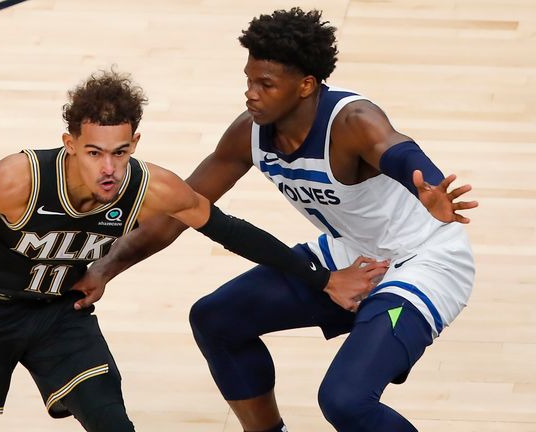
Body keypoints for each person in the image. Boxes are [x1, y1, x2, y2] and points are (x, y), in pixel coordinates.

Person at [0, 69, 385, 432]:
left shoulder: (149, 186)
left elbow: (229, 229)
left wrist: (320, 281)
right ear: (69, 145)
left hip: (60, 314)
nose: (108, 169)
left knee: (114, 423)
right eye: (93, 153)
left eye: (120, 151)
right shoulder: (17, 179)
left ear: (135, 143)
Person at [71, 8, 478, 432]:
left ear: (305, 85)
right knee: (216, 319)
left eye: (265, 84)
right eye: (248, 80)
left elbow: (395, 147)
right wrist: (105, 268)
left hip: (425, 262)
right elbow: (177, 213)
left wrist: (428, 184)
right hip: (351, 250)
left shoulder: (352, 121)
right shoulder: (249, 133)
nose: (251, 94)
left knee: (346, 400)